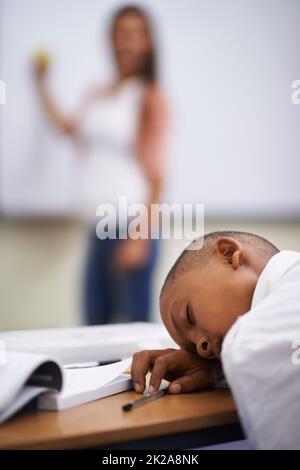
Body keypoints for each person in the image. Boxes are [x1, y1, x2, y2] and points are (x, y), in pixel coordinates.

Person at [33, 5, 168, 324]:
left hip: (131, 225)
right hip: (99, 228)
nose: (127, 42)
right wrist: (42, 84)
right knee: (93, 325)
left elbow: (157, 175)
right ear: (110, 40)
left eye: (135, 34)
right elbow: (68, 129)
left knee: (127, 334)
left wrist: (140, 237)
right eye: (121, 34)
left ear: (148, 43)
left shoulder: (149, 97)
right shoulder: (97, 94)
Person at [131, 230, 300, 449]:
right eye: (192, 349)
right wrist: (216, 370)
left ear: (229, 254)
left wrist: (229, 358)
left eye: (189, 315)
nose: (202, 350)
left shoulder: (250, 341)